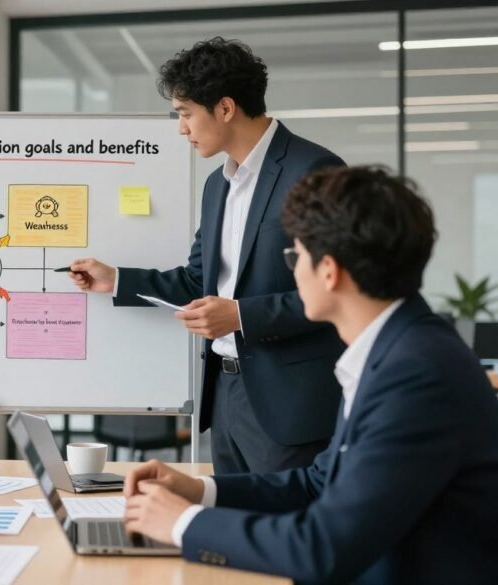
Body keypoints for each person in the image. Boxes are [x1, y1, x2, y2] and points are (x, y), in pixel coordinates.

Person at [121, 167, 498, 584]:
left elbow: (322, 547)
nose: (293, 271)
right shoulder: (394, 349)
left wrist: (182, 523)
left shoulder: (416, 373)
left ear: (330, 272)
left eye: (294, 256)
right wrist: (201, 493)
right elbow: (318, 484)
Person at [70, 37, 345, 473]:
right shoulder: (218, 185)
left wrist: (240, 316)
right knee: (231, 529)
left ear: (225, 108)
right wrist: (115, 279)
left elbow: (338, 295)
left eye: (185, 113)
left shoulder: (314, 172)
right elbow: (199, 282)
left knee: (281, 534)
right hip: (226, 397)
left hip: (290, 406)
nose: (181, 128)